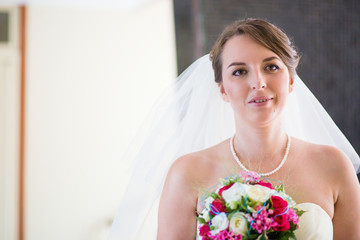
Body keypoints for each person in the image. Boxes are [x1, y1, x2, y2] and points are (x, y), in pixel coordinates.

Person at [108, 19, 360, 240]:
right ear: (222, 90)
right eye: (239, 72)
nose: (258, 82)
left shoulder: (334, 166)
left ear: (291, 80)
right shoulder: (186, 173)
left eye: (271, 66)